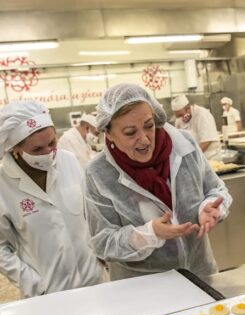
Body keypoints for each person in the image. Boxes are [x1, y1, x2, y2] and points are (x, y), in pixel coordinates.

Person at [85, 84, 232, 280]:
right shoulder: (99, 173)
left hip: (200, 273)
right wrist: (149, 234)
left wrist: (209, 206)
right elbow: (103, 242)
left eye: (149, 126)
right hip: (142, 287)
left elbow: (216, 189)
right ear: (108, 133)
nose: (144, 140)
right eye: (130, 132)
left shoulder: (184, 145)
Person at [0, 101, 105, 298]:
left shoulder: (68, 161)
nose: (48, 153)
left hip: (94, 279)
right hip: (48, 292)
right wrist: (32, 284)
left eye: (52, 143)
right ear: (15, 148)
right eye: (37, 149)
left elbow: (90, 213)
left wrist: (101, 256)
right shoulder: (3, 185)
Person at [171, 95, 221, 160]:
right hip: (196, 157)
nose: (180, 118)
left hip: (210, 157)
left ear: (188, 108)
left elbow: (206, 141)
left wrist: (193, 158)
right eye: (178, 116)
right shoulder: (179, 120)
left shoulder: (202, 114)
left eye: (181, 115)